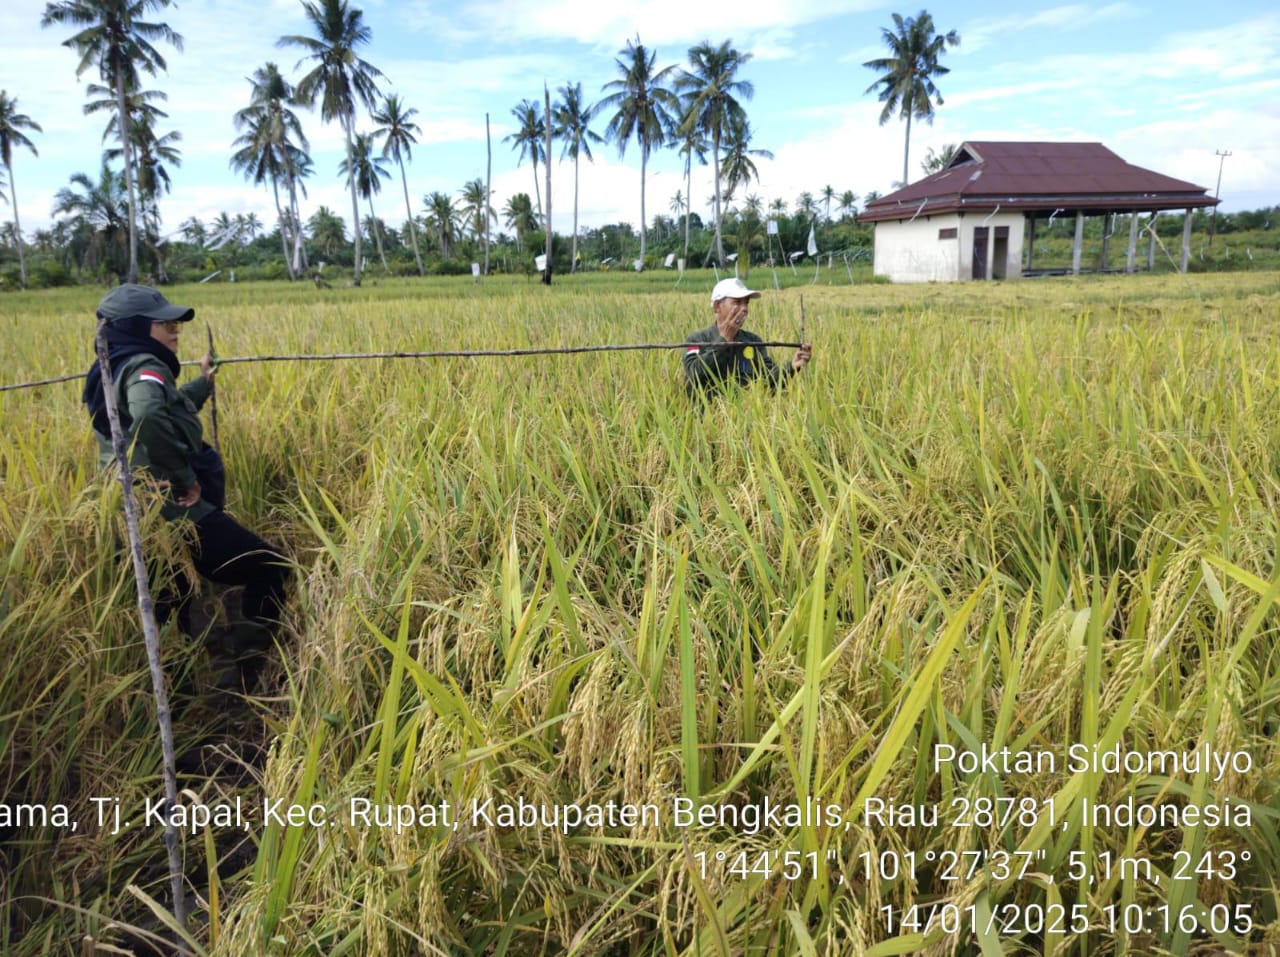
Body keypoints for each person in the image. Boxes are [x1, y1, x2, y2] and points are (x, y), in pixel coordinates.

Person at [83, 283, 289, 692]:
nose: (175, 329)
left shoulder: (115, 366)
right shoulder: (145, 363)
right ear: (138, 328)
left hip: (132, 507)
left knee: (168, 602)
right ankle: (247, 670)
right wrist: (185, 476)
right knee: (269, 566)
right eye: (164, 323)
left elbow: (164, 405)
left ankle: (180, 701)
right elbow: (149, 413)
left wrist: (202, 384)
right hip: (170, 506)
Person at [682, 277, 813, 399]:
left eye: (746, 303)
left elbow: (768, 381)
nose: (744, 309)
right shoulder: (697, 339)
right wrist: (724, 340)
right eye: (737, 302)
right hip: (708, 420)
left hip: (746, 417)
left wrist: (791, 366)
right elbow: (694, 375)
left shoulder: (753, 341)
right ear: (717, 306)